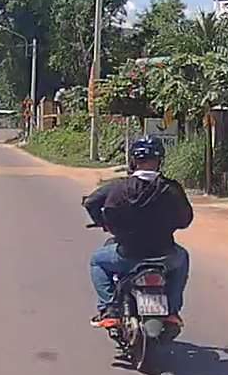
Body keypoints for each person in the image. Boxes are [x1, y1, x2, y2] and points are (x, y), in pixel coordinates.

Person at [82, 136, 193, 329]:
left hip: (127, 256)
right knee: (182, 257)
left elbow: (92, 202)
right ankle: (172, 311)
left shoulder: (119, 187)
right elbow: (185, 220)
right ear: (159, 160)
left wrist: (103, 223)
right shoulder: (172, 189)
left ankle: (109, 309)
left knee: (97, 261)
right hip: (165, 256)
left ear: (133, 160)